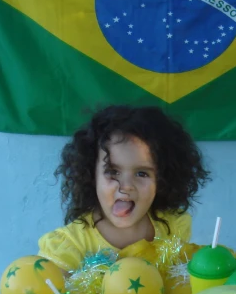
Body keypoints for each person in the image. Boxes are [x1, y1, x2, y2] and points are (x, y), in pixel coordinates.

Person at [38, 105, 210, 272]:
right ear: (91, 175)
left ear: (163, 179)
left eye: (142, 173)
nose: (126, 186)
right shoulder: (69, 246)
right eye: (113, 172)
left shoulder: (174, 227)